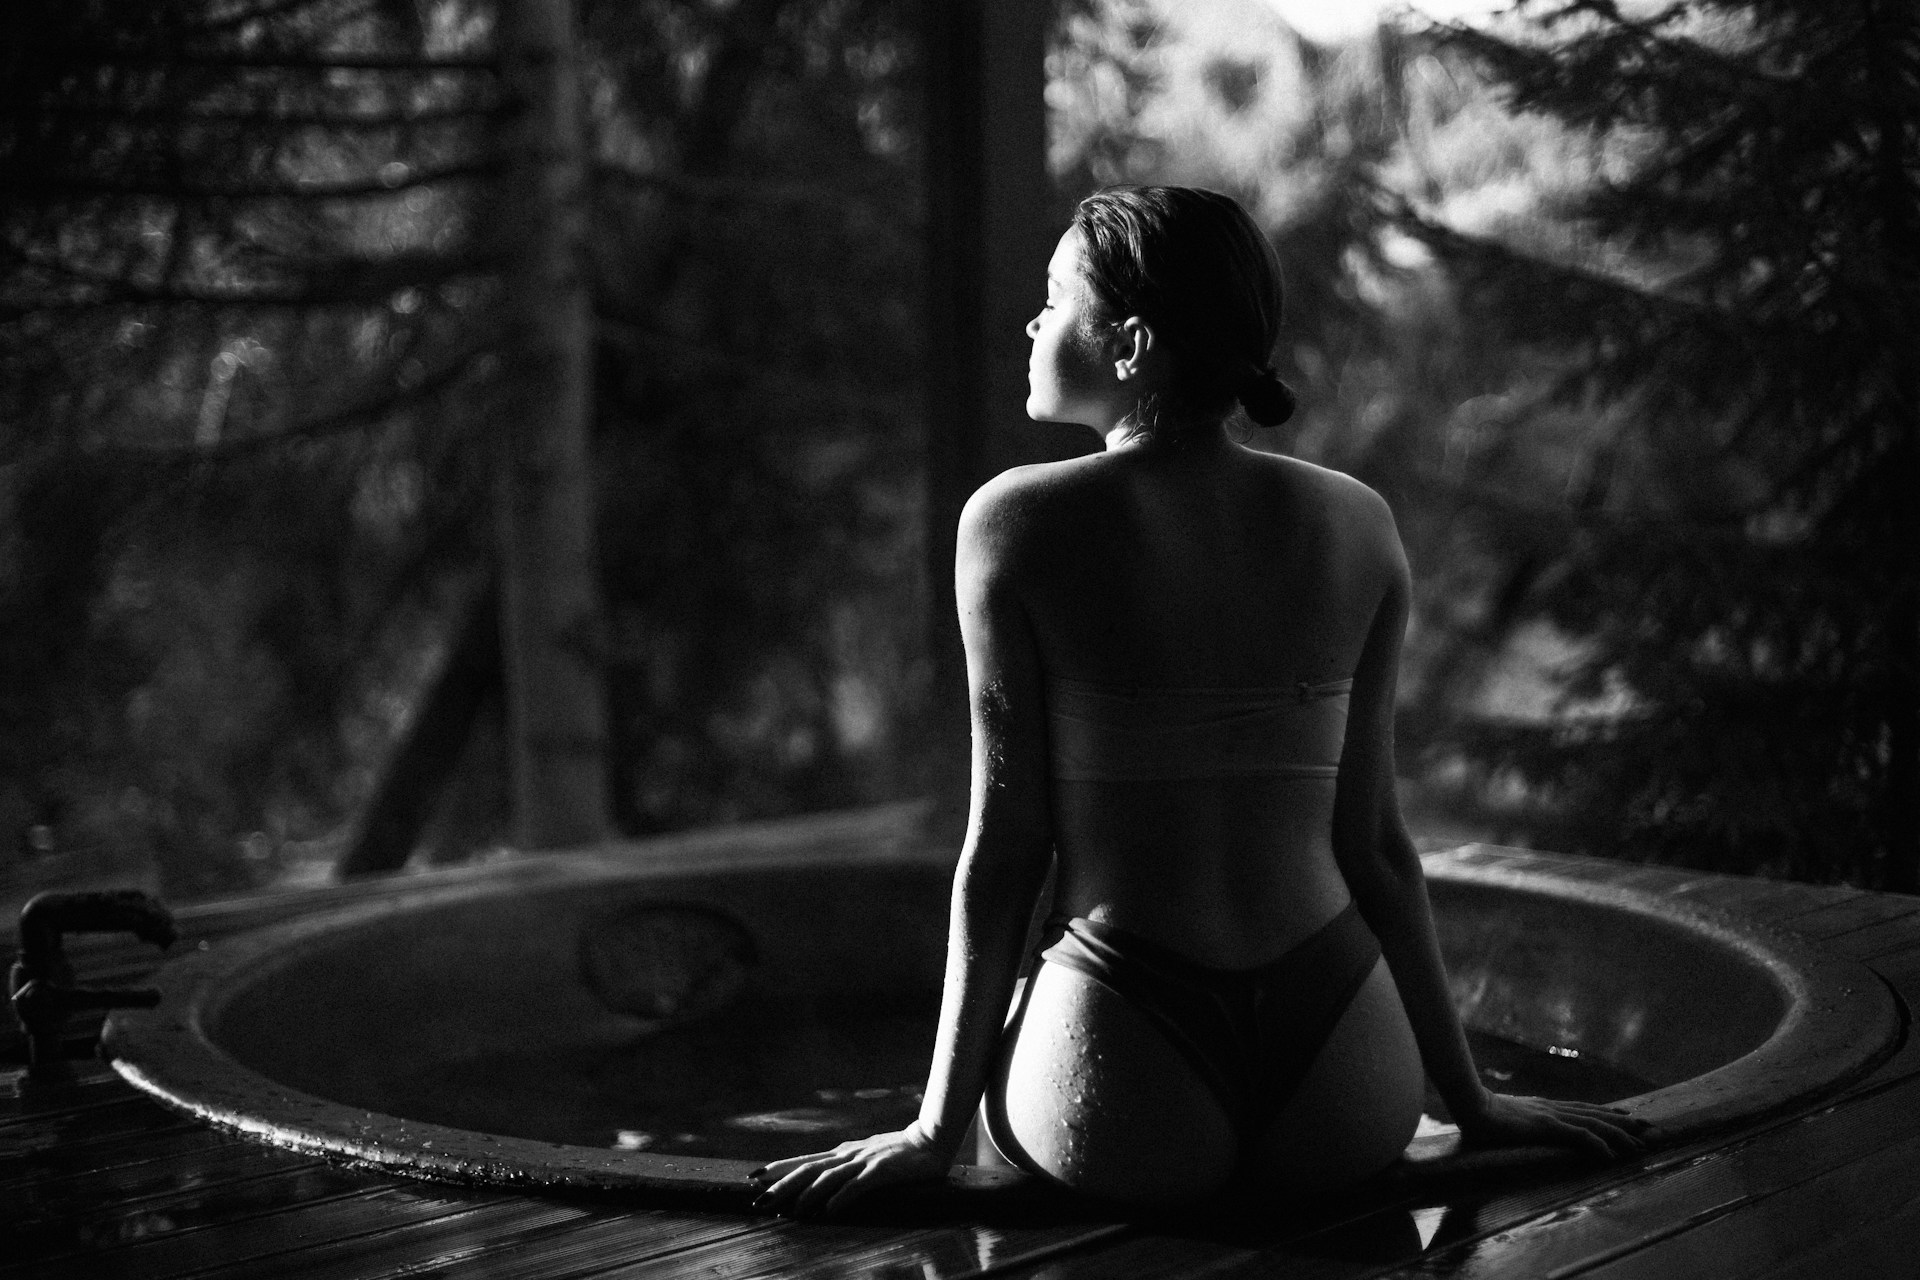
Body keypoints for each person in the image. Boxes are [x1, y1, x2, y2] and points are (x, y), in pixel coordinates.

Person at [751, 185, 1647, 1216]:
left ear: (1130, 342)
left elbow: (1006, 851)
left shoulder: (1014, 522)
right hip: (1344, 1051)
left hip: (1127, 1034)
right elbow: (1379, 848)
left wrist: (930, 1129)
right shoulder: (1356, 523)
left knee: (1013, 1178)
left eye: (1055, 296)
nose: (1035, 323)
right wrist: (1473, 1098)